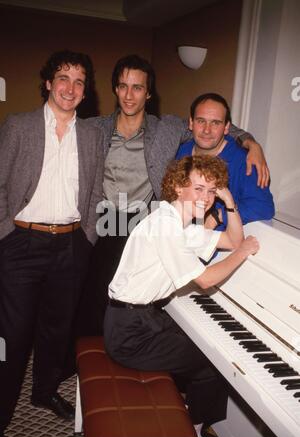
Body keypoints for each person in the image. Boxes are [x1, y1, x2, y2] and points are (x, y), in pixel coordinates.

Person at [79, 54, 268, 335]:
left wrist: (252, 144)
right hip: (104, 219)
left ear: (149, 93)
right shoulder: (96, 128)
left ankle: (129, 350)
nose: (129, 95)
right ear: (115, 89)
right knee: (94, 294)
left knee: (141, 294)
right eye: (123, 86)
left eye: (138, 88)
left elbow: (213, 125)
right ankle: (92, 356)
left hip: (143, 220)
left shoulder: (166, 127)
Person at [103, 154, 259, 435]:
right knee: (214, 364)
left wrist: (230, 203)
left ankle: (185, 407)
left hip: (144, 317)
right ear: (178, 186)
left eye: (212, 191)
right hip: (128, 333)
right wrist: (245, 253)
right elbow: (207, 278)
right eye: (198, 188)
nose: (207, 198)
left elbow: (233, 240)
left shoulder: (182, 224)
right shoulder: (166, 226)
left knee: (208, 343)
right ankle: (195, 430)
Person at [0, 50, 102, 437]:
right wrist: (6, 233)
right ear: (48, 83)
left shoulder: (93, 133)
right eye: (63, 78)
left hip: (71, 245)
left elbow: (94, 192)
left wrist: (87, 236)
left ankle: (43, 394)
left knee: (57, 331)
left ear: (85, 91)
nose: (70, 87)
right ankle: (3, 412)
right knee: (12, 334)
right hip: (20, 242)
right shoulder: (19, 126)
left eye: (79, 81)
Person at [176, 93, 275, 230]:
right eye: (200, 121)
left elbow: (263, 207)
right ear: (191, 123)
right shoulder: (181, 151)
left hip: (219, 244)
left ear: (227, 127)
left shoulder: (245, 161)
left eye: (215, 123)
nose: (207, 130)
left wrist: (218, 216)